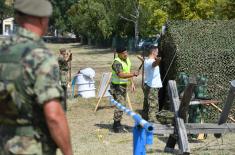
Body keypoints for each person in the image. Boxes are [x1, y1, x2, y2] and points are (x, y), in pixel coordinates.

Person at [0, 0, 73, 155]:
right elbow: (53, 115)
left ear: (17, 18)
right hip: (32, 147)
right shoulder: (40, 57)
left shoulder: (2, 51)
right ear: (43, 20)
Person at [110, 46, 139, 133]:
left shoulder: (127, 60)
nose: (126, 54)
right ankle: (116, 126)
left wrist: (132, 83)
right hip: (117, 86)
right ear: (119, 54)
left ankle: (118, 123)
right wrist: (133, 74)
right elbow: (121, 75)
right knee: (120, 105)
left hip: (123, 86)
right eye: (123, 53)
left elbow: (128, 71)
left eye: (126, 52)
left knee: (122, 105)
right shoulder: (116, 62)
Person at [142, 45, 162, 122]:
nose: (157, 54)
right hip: (152, 87)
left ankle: (144, 121)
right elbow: (154, 64)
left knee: (147, 105)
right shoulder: (150, 61)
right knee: (153, 106)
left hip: (149, 85)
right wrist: (158, 59)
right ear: (153, 52)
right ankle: (152, 122)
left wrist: (157, 59)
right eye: (157, 52)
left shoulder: (147, 60)